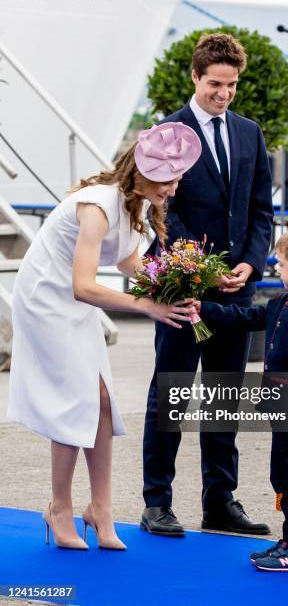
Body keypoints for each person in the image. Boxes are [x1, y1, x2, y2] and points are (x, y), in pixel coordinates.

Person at [7, 122, 201, 550]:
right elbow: (83, 285)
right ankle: (59, 508)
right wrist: (147, 305)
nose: (173, 189)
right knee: (77, 400)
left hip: (74, 302)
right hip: (47, 299)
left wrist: (180, 287)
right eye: (169, 180)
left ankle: (100, 509)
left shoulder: (135, 208)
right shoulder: (96, 206)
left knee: (103, 402)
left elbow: (131, 264)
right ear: (145, 173)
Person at [141, 32, 273, 538]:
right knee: (170, 395)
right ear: (195, 77)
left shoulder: (249, 132)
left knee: (224, 395)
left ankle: (220, 503)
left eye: (232, 85)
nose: (224, 93)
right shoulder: (165, 133)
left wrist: (251, 266)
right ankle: (158, 503)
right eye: (215, 83)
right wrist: (193, 270)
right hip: (183, 290)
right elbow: (155, 215)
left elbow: (262, 209)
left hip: (237, 291)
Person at [194, 225, 288, 571]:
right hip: (278, 407)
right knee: (281, 475)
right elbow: (244, 317)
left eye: (281, 265)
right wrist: (204, 307)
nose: (277, 271)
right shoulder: (282, 301)